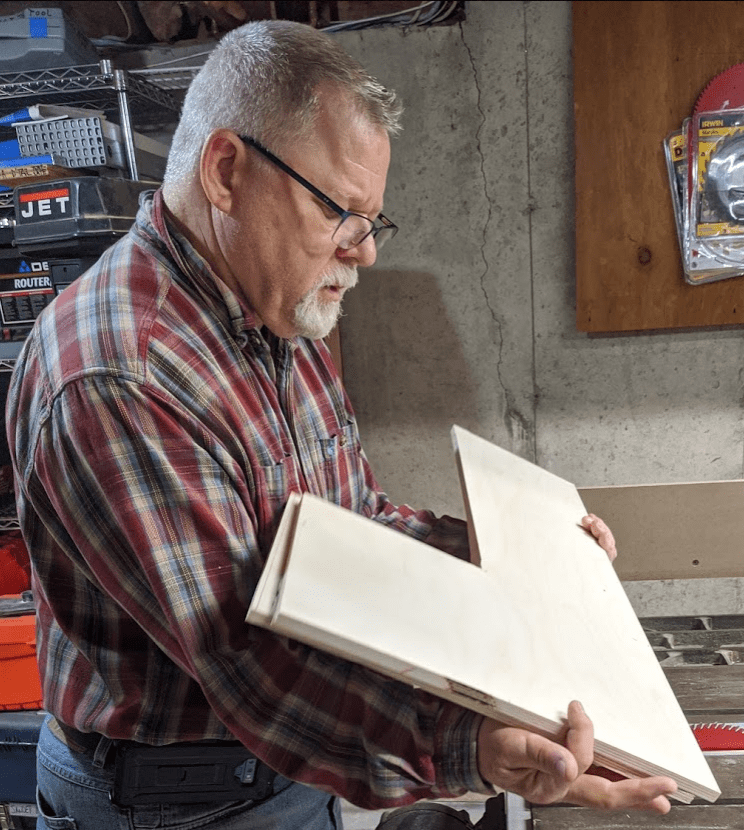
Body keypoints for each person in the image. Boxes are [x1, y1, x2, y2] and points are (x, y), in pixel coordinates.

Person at [5, 19, 677, 830]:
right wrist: (472, 747)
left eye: (372, 221)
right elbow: (250, 665)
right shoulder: (122, 374)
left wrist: (509, 555)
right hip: (176, 800)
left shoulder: (275, 309)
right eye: (341, 212)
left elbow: (350, 521)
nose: (363, 253)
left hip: (286, 765)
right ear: (226, 172)